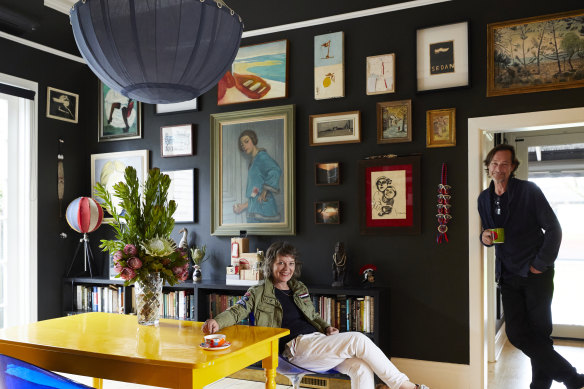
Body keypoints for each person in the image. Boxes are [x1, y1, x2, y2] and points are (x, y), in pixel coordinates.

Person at [203, 241, 430, 389]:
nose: (286, 268)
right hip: (294, 348)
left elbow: (313, 317)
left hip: (317, 342)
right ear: (270, 264)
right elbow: (237, 310)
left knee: (360, 367)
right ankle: (403, 386)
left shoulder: (299, 288)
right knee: (359, 340)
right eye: (280, 262)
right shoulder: (259, 291)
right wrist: (216, 320)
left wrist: (326, 328)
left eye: (290, 263)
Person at [477, 144, 584, 389]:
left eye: (504, 164)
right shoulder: (484, 198)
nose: (498, 168)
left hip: (536, 275)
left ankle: (540, 386)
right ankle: (571, 377)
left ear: (513, 167)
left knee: (540, 333)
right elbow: (488, 233)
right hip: (507, 275)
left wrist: (540, 264)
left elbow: (554, 229)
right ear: (488, 166)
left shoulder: (529, 191)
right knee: (516, 333)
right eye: (495, 163)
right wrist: (483, 238)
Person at [232, 129, 282, 223]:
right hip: (256, 210)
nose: (244, 146)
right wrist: (242, 206)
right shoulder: (254, 161)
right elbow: (255, 191)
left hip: (264, 211)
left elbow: (275, 170)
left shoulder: (261, 157)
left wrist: (265, 190)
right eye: (242, 145)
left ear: (253, 140)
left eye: (246, 141)